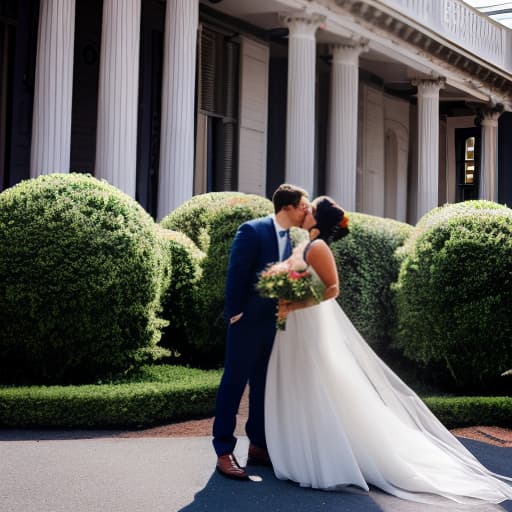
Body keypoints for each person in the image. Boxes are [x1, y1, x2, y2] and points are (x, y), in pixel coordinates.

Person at [265, 196, 512, 504]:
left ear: (319, 219)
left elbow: (332, 289)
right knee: (302, 386)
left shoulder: (319, 248)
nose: (306, 211)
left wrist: (295, 303)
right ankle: (302, 450)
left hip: (310, 325)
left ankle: (325, 459)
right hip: (294, 327)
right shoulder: (304, 245)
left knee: (319, 386)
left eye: (311, 208)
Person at [213, 183, 310, 480]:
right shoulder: (252, 230)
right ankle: (224, 451)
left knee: (263, 387)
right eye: (302, 206)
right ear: (287, 208)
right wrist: (235, 314)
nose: (306, 211)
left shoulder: (292, 239)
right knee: (233, 384)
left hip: (273, 326)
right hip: (246, 324)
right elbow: (237, 273)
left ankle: (257, 446)